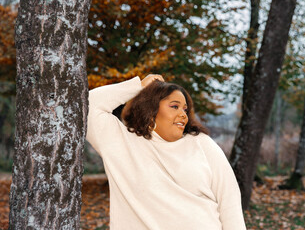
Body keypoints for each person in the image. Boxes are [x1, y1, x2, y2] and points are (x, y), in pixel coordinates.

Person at [86, 74, 247, 230]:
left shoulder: (201, 143)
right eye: (174, 106)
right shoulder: (121, 143)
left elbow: (229, 201)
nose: (183, 114)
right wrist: (138, 86)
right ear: (150, 109)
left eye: (185, 109)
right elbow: (88, 105)